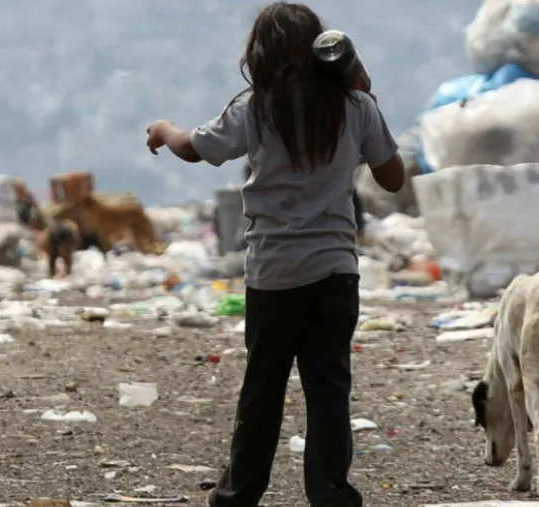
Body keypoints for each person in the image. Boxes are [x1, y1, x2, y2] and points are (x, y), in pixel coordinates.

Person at [144, 3, 405, 507]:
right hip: (335, 271)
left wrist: (162, 127)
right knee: (328, 389)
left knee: (263, 390)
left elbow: (195, 148)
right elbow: (392, 178)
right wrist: (363, 90)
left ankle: (238, 495)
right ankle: (331, 494)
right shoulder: (355, 107)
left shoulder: (255, 107)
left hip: (275, 273)